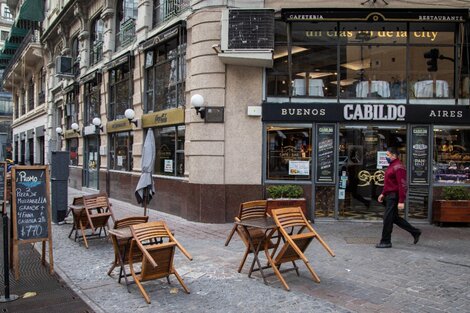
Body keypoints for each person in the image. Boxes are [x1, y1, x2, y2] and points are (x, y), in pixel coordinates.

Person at [376, 147, 421, 248]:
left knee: (387, 219)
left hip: (394, 196)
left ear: (393, 155)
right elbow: (389, 183)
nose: (386, 157)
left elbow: (402, 185)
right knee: (394, 218)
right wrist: (383, 193)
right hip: (390, 195)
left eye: (387, 155)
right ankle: (415, 232)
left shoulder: (399, 167)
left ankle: (386, 241)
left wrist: (401, 200)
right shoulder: (392, 166)